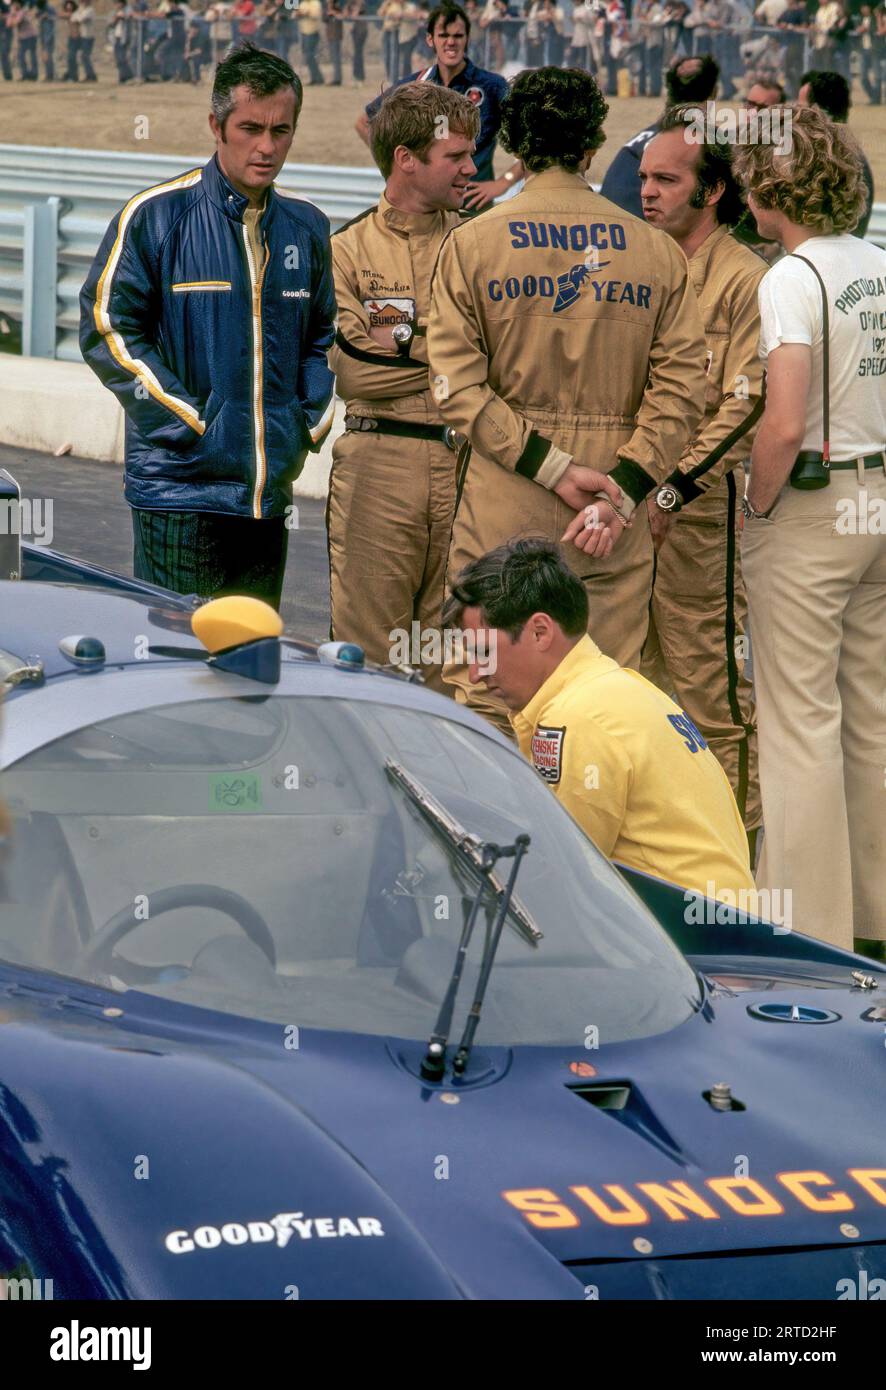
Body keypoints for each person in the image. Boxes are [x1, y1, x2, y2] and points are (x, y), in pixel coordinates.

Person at [427, 65, 707, 731]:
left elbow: (456, 389)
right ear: (593, 148)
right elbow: (686, 390)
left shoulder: (472, 243)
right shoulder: (658, 253)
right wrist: (622, 488)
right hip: (610, 524)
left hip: (503, 513)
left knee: (488, 709)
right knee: (602, 711)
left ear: (517, 148)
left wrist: (552, 468)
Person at [79, 44, 336, 609]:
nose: (267, 147)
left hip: (268, 500)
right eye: (251, 127)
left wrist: (305, 422)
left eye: (282, 130)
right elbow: (107, 329)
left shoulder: (307, 227)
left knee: (250, 672)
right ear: (216, 125)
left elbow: (323, 336)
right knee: (181, 669)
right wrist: (194, 424)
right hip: (179, 495)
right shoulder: (155, 216)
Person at [733, 104, 886, 956]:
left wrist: (755, 505)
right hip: (879, 501)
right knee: (872, 714)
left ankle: (804, 930)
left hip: (814, 506)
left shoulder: (790, 278)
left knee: (796, 722)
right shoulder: (878, 263)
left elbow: (783, 424)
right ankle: (875, 915)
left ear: (771, 187)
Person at [449, 539, 756, 901]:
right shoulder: (618, 688)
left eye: (484, 652)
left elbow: (560, 884)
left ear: (540, 632)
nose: (474, 674)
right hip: (718, 927)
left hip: (689, 945)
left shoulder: (576, 717)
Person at [638, 107, 764, 851]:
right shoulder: (638, 263)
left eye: (666, 179)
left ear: (712, 188)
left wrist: (672, 487)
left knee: (714, 701)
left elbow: (750, 402)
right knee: (638, 690)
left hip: (698, 514)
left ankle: (744, 871)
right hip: (628, 510)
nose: (646, 191)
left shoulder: (745, 279)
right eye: (645, 177)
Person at [328, 82, 480, 689]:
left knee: (462, 669)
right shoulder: (343, 249)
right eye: (456, 156)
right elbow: (351, 370)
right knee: (369, 666)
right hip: (377, 467)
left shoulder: (479, 245)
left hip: (470, 466)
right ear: (406, 159)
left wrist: (405, 339)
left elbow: (506, 356)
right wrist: (457, 350)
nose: (471, 168)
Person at [356, 4, 524, 211]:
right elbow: (364, 122)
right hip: (426, 206)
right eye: (443, 35)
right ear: (430, 39)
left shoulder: (492, 86)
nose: (451, 42)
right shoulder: (416, 84)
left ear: (467, 39)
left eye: (458, 35)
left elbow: (533, 138)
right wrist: (395, 169)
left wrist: (502, 183)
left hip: (471, 206)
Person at [599, 53, 719, 218]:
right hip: (639, 230)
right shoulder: (697, 141)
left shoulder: (653, 133)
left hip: (607, 226)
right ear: (714, 92)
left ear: (670, 94)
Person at [798, 69, 875, 238]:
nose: (797, 115)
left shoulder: (827, 156)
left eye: (801, 108)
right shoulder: (849, 152)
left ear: (816, 110)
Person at [8, 0, 38, 78]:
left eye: (16, 3)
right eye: (13, 4)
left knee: (32, 56)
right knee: (21, 56)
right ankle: (25, 74)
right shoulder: (15, 13)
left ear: (19, 4)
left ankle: (34, 74)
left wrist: (12, 16)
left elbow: (16, 22)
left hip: (30, 36)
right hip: (23, 37)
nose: (14, 5)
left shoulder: (22, 12)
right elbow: (8, 24)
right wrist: (12, 15)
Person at [298, 0, 324, 83]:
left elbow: (315, 15)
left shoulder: (315, 3)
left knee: (310, 55)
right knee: (308, 56)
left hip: (313, 33)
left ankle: (318, 78)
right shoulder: (302, 3)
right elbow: (297, 14)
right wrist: (298, 14)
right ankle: (314, 78)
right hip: (304, 33)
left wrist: (305, 13)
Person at [109, 0, 134, 81]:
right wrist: (116, 18)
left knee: (122, 57)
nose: (117, 5)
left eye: (118, 3)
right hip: (116, 37)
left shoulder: (128, 9)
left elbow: (128, 17)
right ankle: (123, 76)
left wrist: (121, 16)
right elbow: (110, 23)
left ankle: (127, 75)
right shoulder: (114, 12)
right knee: (118, 58)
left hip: (124, 37)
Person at [345, 0, 366, 81]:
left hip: (361, 31)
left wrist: (353, 9)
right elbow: (345, 14)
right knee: (357, 53)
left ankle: (359, 76)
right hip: (355, 31)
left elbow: (355, 15)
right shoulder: (351, 3)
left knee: (358, 53)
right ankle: (356, 75)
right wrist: (347, 6)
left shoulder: (361, 3)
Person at [34, 0, 56, 79]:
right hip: (43, 37)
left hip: (48, 38)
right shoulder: (41, 8)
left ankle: (50, 75)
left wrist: (46, 16)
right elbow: (36, 15)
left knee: (48, 56)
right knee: (45, 56)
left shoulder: (49, 9)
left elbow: (53, 19)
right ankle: (48, 74)